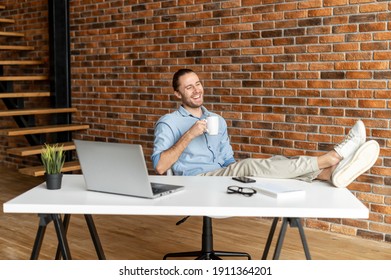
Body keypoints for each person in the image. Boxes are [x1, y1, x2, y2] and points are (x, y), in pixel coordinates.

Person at [152, 68, 380, 188]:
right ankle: (331, 158)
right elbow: (161, 167)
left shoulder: (216, 120)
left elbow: (228, 161)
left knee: (275, 162)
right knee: (251, 165)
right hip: (197, 180)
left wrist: (245, 172)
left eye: (198, 84)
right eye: (189, 87)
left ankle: (328, 174)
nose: (196, 90)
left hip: (221, 176)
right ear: (178, 94)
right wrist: (190, 134)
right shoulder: (169, 122)